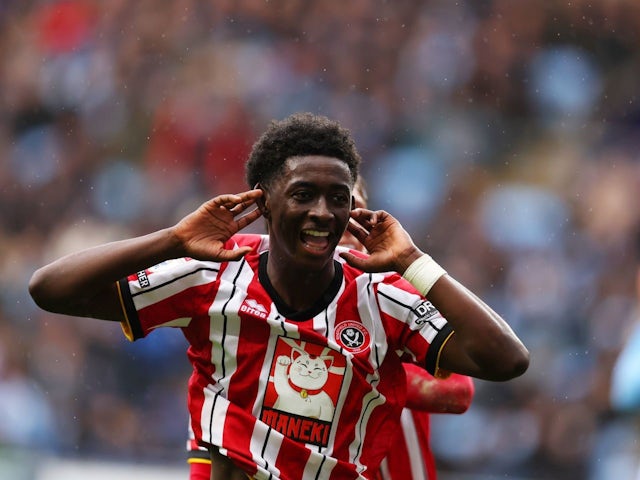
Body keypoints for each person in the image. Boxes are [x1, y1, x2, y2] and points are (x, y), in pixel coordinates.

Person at [29, 112, 529, 479]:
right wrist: (172, 239)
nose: (325, 213)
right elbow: (50, 289)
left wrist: (413, 262)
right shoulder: (214, 272)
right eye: (304, 194)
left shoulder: (384, 296)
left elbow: (501, 362)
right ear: (262, 202)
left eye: (342, 201)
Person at [185, 177, 476, 480]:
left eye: (349, 208)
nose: (337, 223)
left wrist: (367, 369)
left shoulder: (392, 302)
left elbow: (457, 391)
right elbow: (205, 466)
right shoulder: (241, 341)